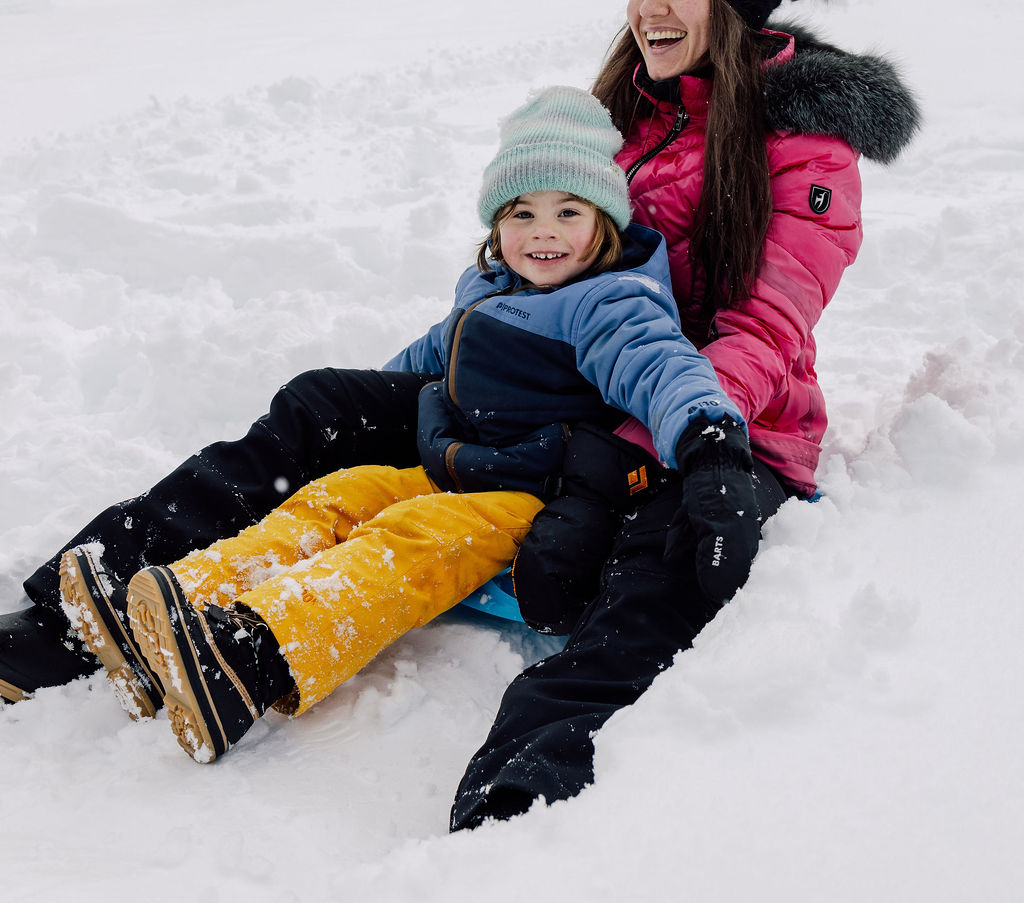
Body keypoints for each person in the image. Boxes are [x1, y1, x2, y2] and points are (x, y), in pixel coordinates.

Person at [57, 86, 752, 762]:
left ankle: (254, 659)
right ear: (496, 225)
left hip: (530, 493)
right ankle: (180, 610)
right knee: (336, 497)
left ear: (605, 223)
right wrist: (367, 408)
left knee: (409, 540)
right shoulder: (488, 288)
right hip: (456, 465)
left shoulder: (608, 303)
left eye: (568, 211)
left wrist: (710, 438)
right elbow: (430, 359)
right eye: (522, 212)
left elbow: (662, 367)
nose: (544, 230)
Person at [448, 0, 921, 830]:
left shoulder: (808, 150)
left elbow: (767, 327)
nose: (650, 7)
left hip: (732, 427)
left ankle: (523, 786)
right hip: (589, 397)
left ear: (731, 4)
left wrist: (647, 445)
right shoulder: (622, 116)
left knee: (655, 574)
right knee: (359, 437)